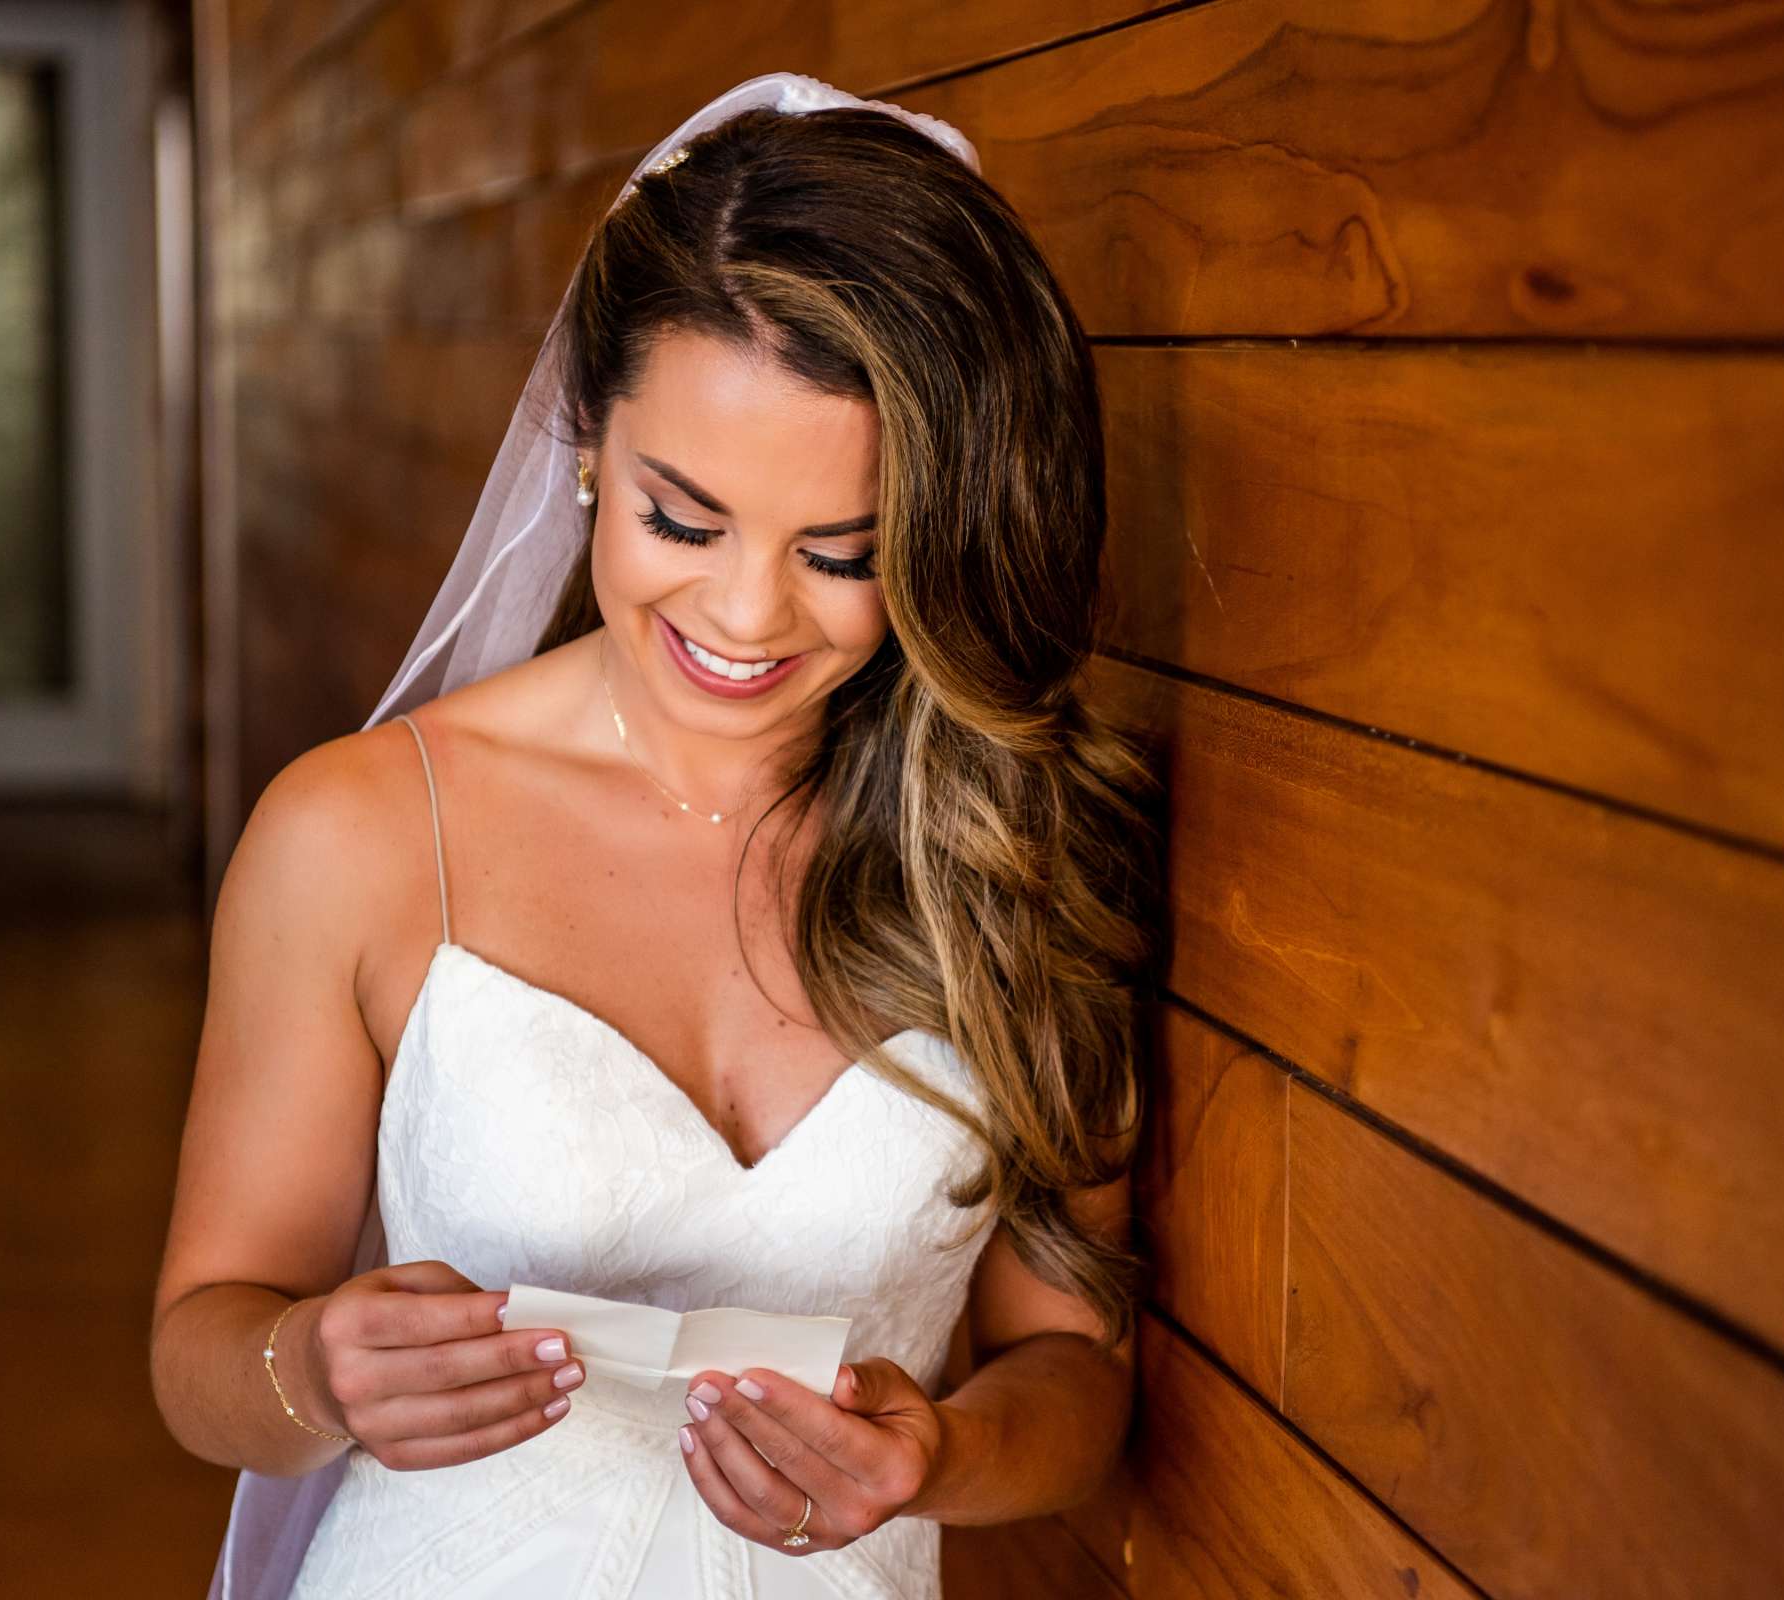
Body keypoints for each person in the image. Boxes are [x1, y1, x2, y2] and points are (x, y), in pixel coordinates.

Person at [149, 72, 1162, 1600]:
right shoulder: (358, 832)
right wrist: (317, 1370)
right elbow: (203, 1345)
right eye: (680, 519)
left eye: (841, 554)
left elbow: (1072, 1374)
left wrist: (935, 1459)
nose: (746, 617)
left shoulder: (1017, 853)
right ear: (584, 448)